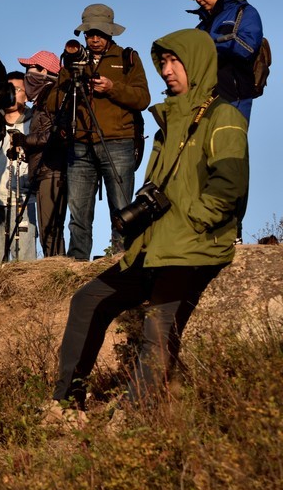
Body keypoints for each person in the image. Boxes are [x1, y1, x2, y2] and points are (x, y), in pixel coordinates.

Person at [51, 29, 248, 410]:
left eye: (176, 62)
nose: (168, 71)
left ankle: (137, 415)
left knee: (157, 327)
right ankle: (63, 403)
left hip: (193, 244)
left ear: (199, 64)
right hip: (156, 243)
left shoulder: (223, 117)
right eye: (163, 63)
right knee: (87, 301)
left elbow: (230, 183)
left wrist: (194, 220)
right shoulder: (170, 120)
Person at [50, 4, 151, 260]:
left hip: (118, 142)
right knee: (79, 212)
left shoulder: (127, 58)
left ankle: (121, 259)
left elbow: (142, 99)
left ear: (110, 34)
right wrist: (71, 82)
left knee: (122, 208)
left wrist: (112, 88)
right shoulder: (73, 61)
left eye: (100, 33)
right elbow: (52, 103)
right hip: (80, 142)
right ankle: (78, 263)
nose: (94, 39)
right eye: (89, 34)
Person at [185, 0, 264, 123]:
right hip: (202, 101)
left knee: (229, 146)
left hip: (234, 98)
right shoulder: (201, 25)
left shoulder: (243, 12)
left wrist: (207, 43)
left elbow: (247, 47)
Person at [0, 71, 37, 266]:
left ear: (27, 95)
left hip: (23, 203)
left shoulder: (35, 123)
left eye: (18, 90)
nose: (12, 94)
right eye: (8, 89)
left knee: (25, 267)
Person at [18, 50, 68, 257]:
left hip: (53, 169)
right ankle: (55, 267)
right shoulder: (41, 101)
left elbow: (58, 132)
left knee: (51, 228)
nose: (27, 75)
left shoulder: (54, 96)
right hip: (44, 170)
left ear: (44, 71)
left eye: (31, 68)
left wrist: (26, 142)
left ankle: (58, 271)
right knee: (48, 228)